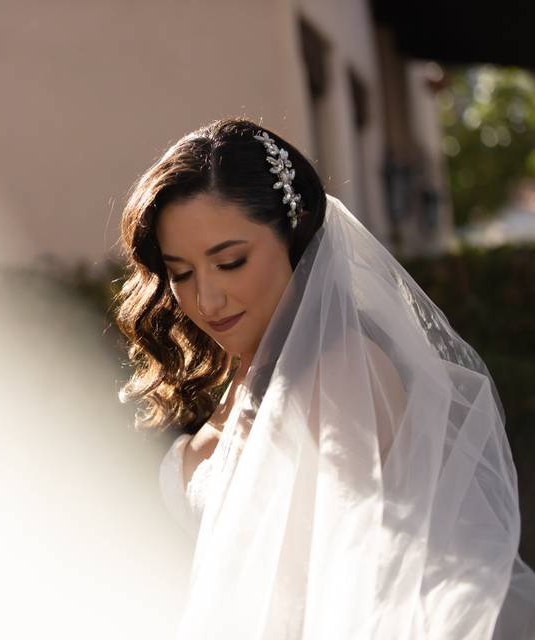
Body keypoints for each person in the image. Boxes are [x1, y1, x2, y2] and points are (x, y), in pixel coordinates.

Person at [114, 117, 535, 639]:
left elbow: (370, 592)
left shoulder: (339, 377)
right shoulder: (237, 376)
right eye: (181, 272)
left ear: (292, 239)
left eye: (230, 261)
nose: (207, 299)